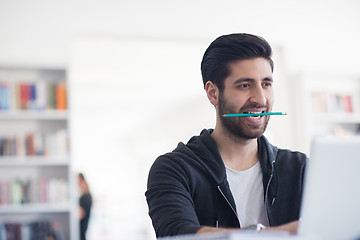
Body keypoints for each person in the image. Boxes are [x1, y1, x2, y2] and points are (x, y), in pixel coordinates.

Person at [145, 33, 308, 238]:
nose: (260, 99)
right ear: (213, 93)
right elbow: (178, 234)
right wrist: (277, 233)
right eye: (244, 85)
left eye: (266, 83)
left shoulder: (300, 168)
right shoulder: (174, 169)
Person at [78, 173, 93, 240]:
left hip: (83, 224)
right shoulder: (87, 195)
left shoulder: (85, 197)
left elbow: (80, 214)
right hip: (84, 224)